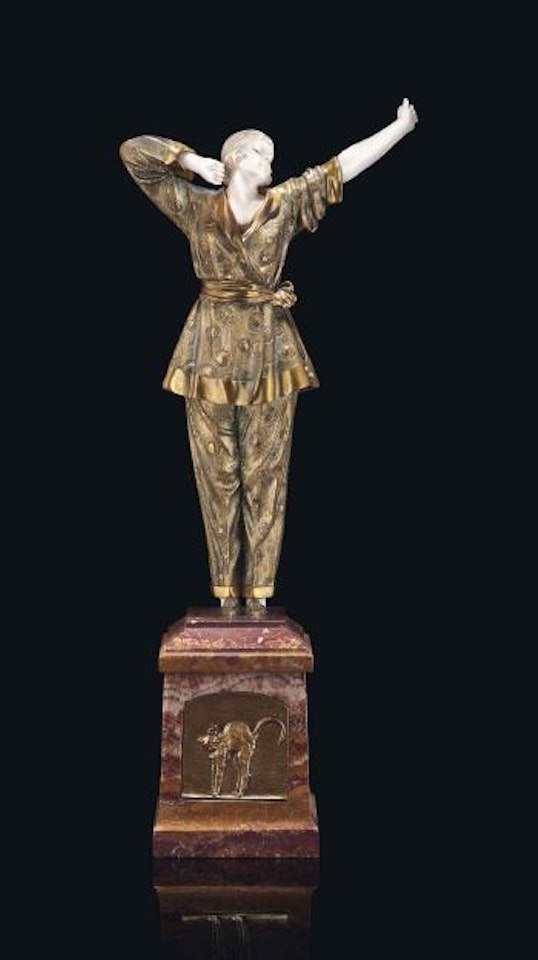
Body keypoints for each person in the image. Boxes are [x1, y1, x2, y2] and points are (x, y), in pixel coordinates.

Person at [120, 98, 418, 614]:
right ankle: (224, 593)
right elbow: (133, 154)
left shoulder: (285, 204)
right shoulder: (195, 205)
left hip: (270, 352)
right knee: (216, 476)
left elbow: (341, 168)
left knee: (266, 474)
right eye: (263, 154)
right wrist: (189, 161)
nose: (272, 164)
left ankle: (258, 595)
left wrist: (398, 129)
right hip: (207, 352)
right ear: (236, 158)